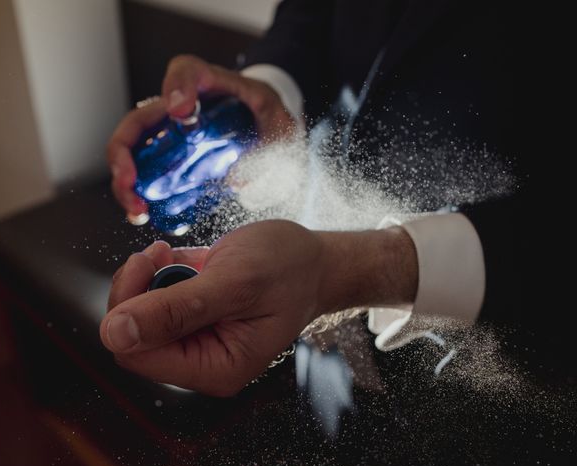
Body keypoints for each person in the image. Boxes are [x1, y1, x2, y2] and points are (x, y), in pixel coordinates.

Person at [99, 0, 545, 397]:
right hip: (321, 346)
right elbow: (314, 14)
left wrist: (358, 270)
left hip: (505, 373)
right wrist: (264, 93)